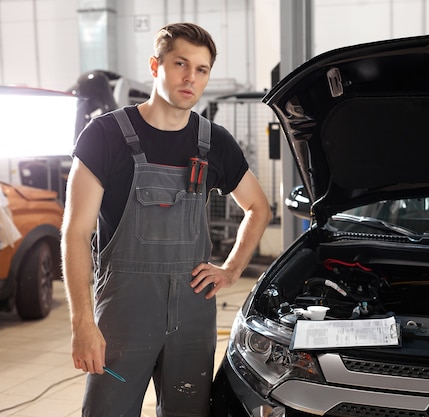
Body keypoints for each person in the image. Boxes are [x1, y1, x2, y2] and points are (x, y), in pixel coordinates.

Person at [61, 22, 271, 416]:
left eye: (202, 69)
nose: (191, 77)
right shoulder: (105, 136)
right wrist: (81, 324)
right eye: (180, 64)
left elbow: (259, 208)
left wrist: (230, 269)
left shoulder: (215, 142)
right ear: (156, 66)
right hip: (124, 316)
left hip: (193, 319)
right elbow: (75, 233)